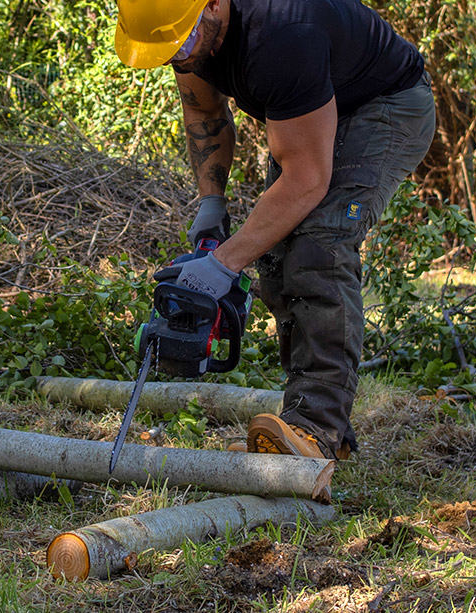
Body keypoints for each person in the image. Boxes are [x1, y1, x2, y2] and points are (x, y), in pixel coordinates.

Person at [114, 0, 436, 459]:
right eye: (167, 51)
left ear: (215, 4)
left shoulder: (283, 34)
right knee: (276, 253)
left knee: (319, 245)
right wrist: (212, 203)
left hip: (384, 105)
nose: (179, 56)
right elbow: (205, 115)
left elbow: (307, 180)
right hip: (312, 108)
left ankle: (315, 431)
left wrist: (223, 263)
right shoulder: (186, 34)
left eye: (181, 40)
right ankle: (308, 424)